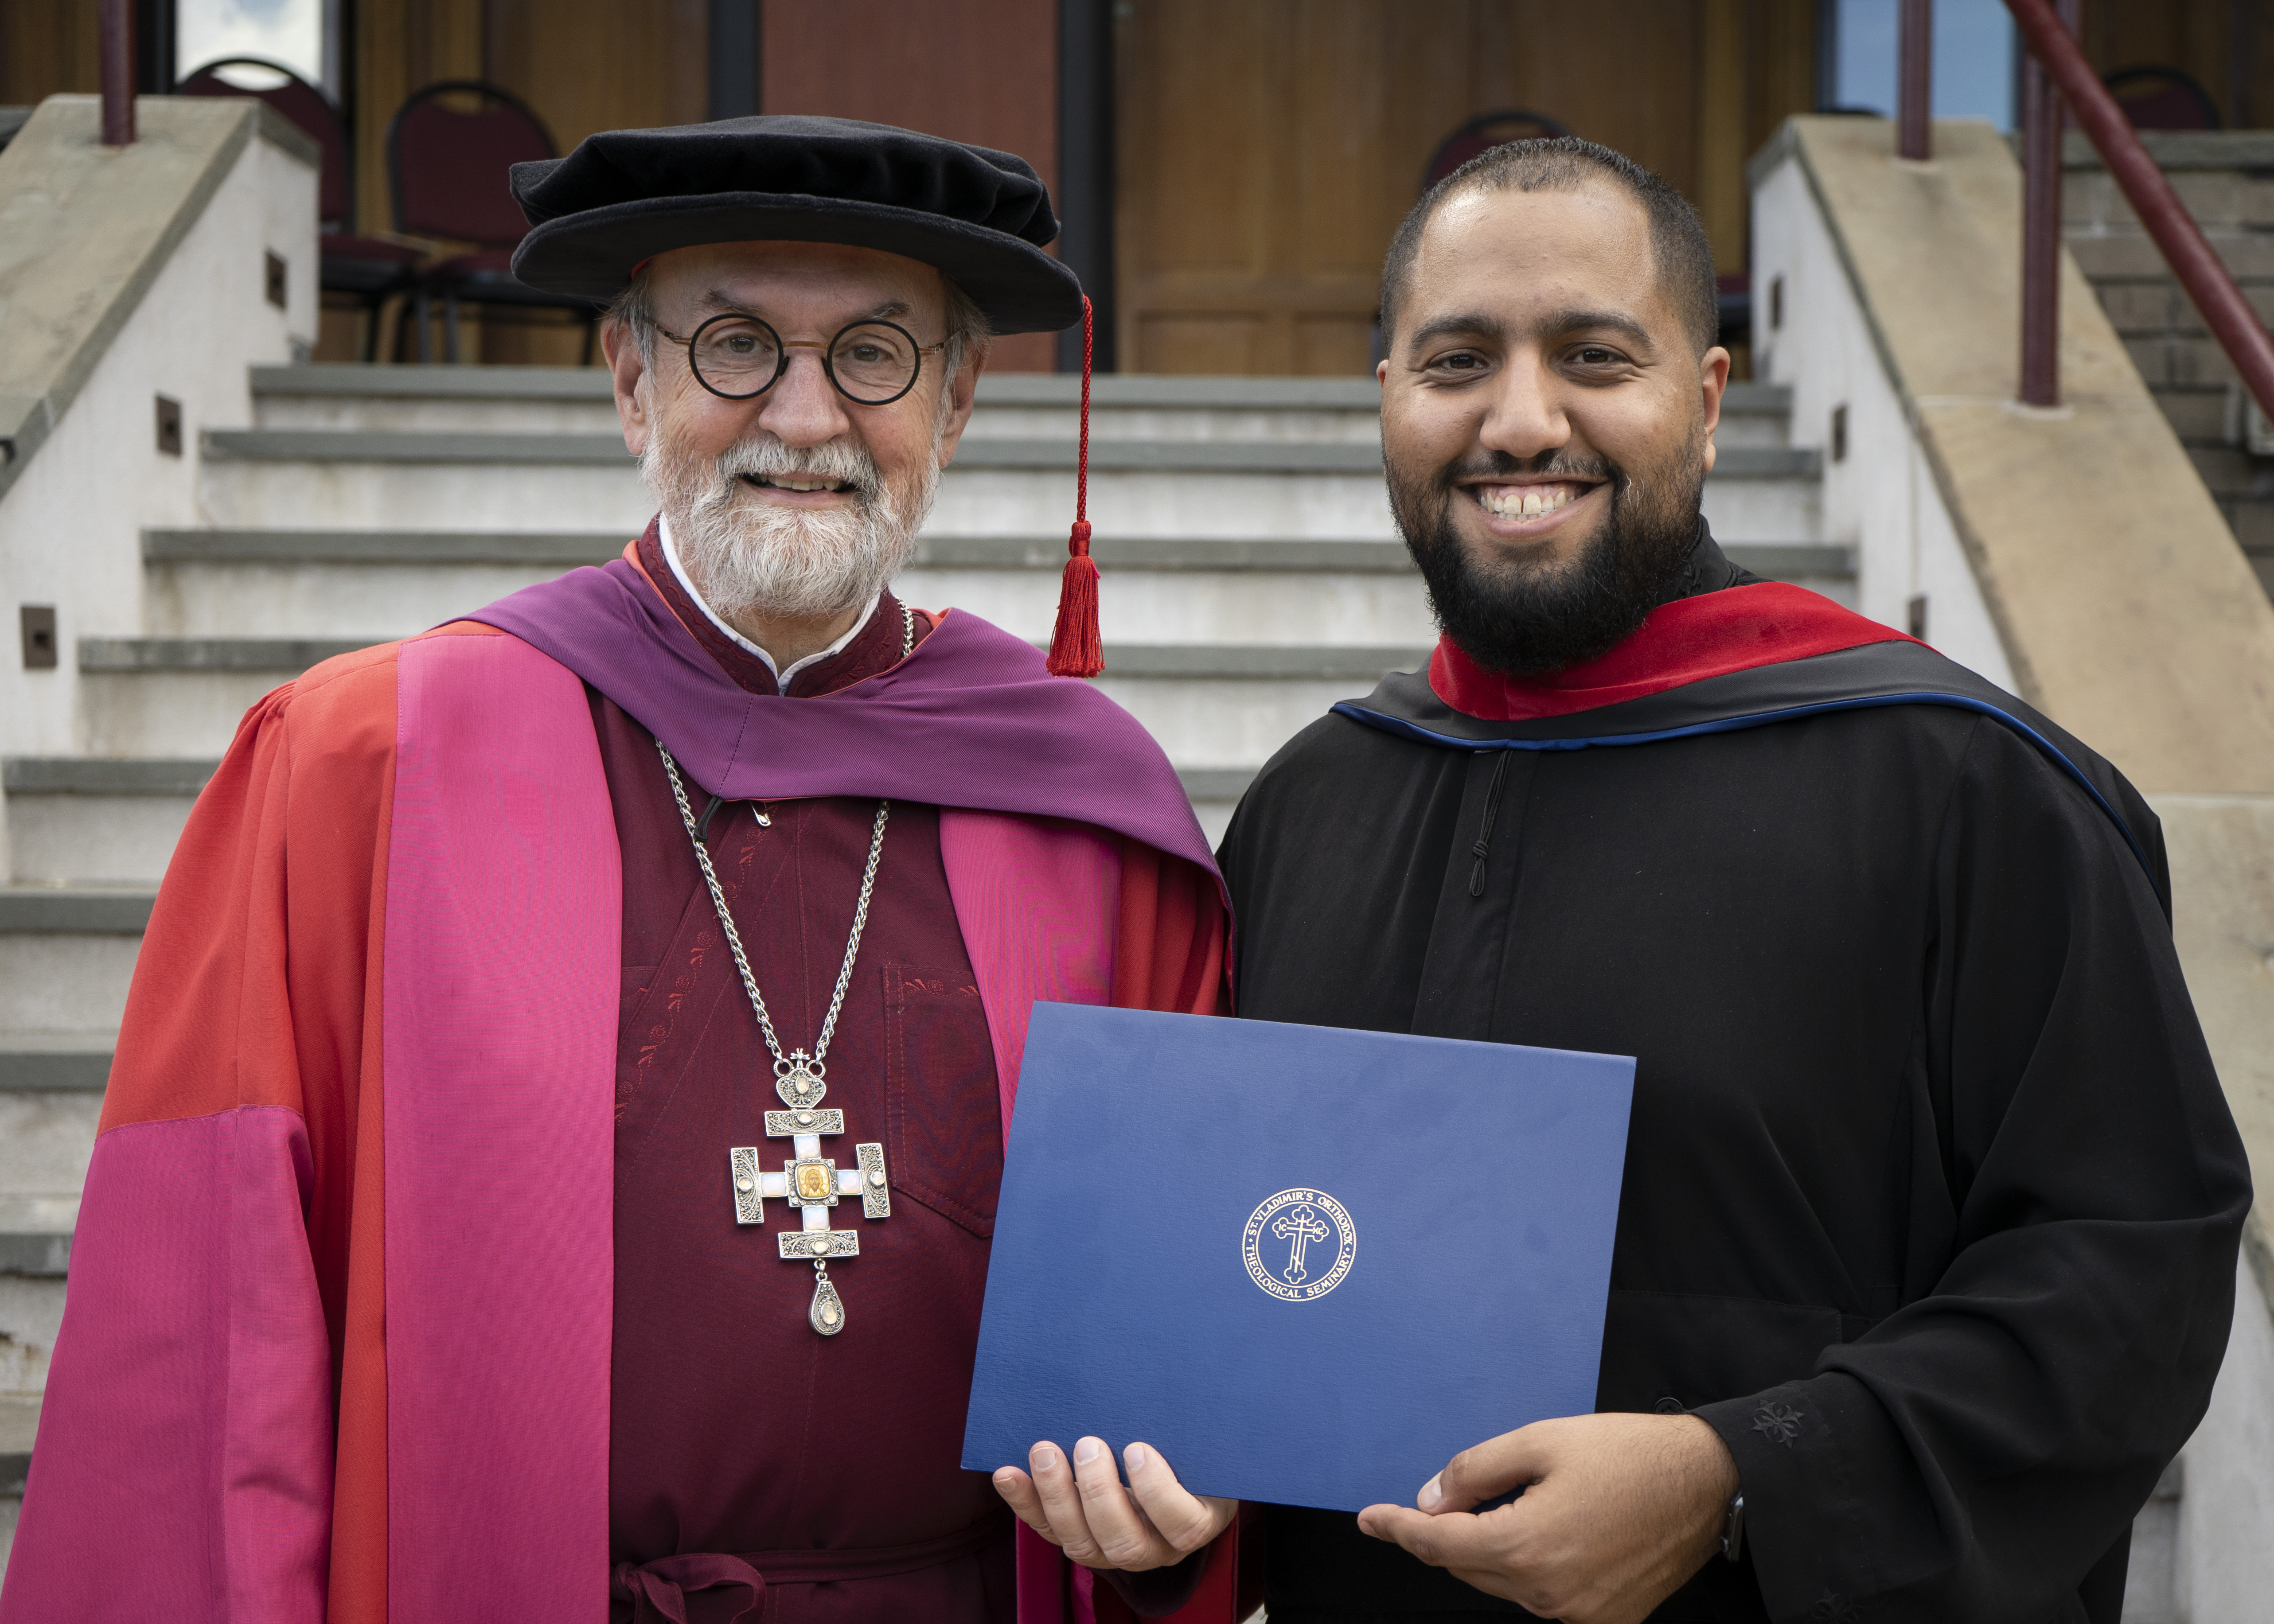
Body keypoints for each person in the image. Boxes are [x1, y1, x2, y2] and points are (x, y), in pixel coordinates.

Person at [0, 117, 1239, 1624]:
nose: (805, 415)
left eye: (873, 354)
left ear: (957, 399)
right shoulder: (358, 770)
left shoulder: (1091, 826)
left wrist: (1175, 1527)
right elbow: (206, 1335)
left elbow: (1188, 1351)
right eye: (735, 344)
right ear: (629, 378)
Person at [1206, 138, 2251, 1623]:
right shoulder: (1313, 802)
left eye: (1591, 355)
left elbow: (2128, 1273)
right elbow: (1249, 1269)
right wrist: (1166, 1503)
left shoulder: (1968, 791)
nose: (1520, 419)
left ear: (1701, 403)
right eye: (1456, 360)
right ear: (1388, 398)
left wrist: (1740, 1478)